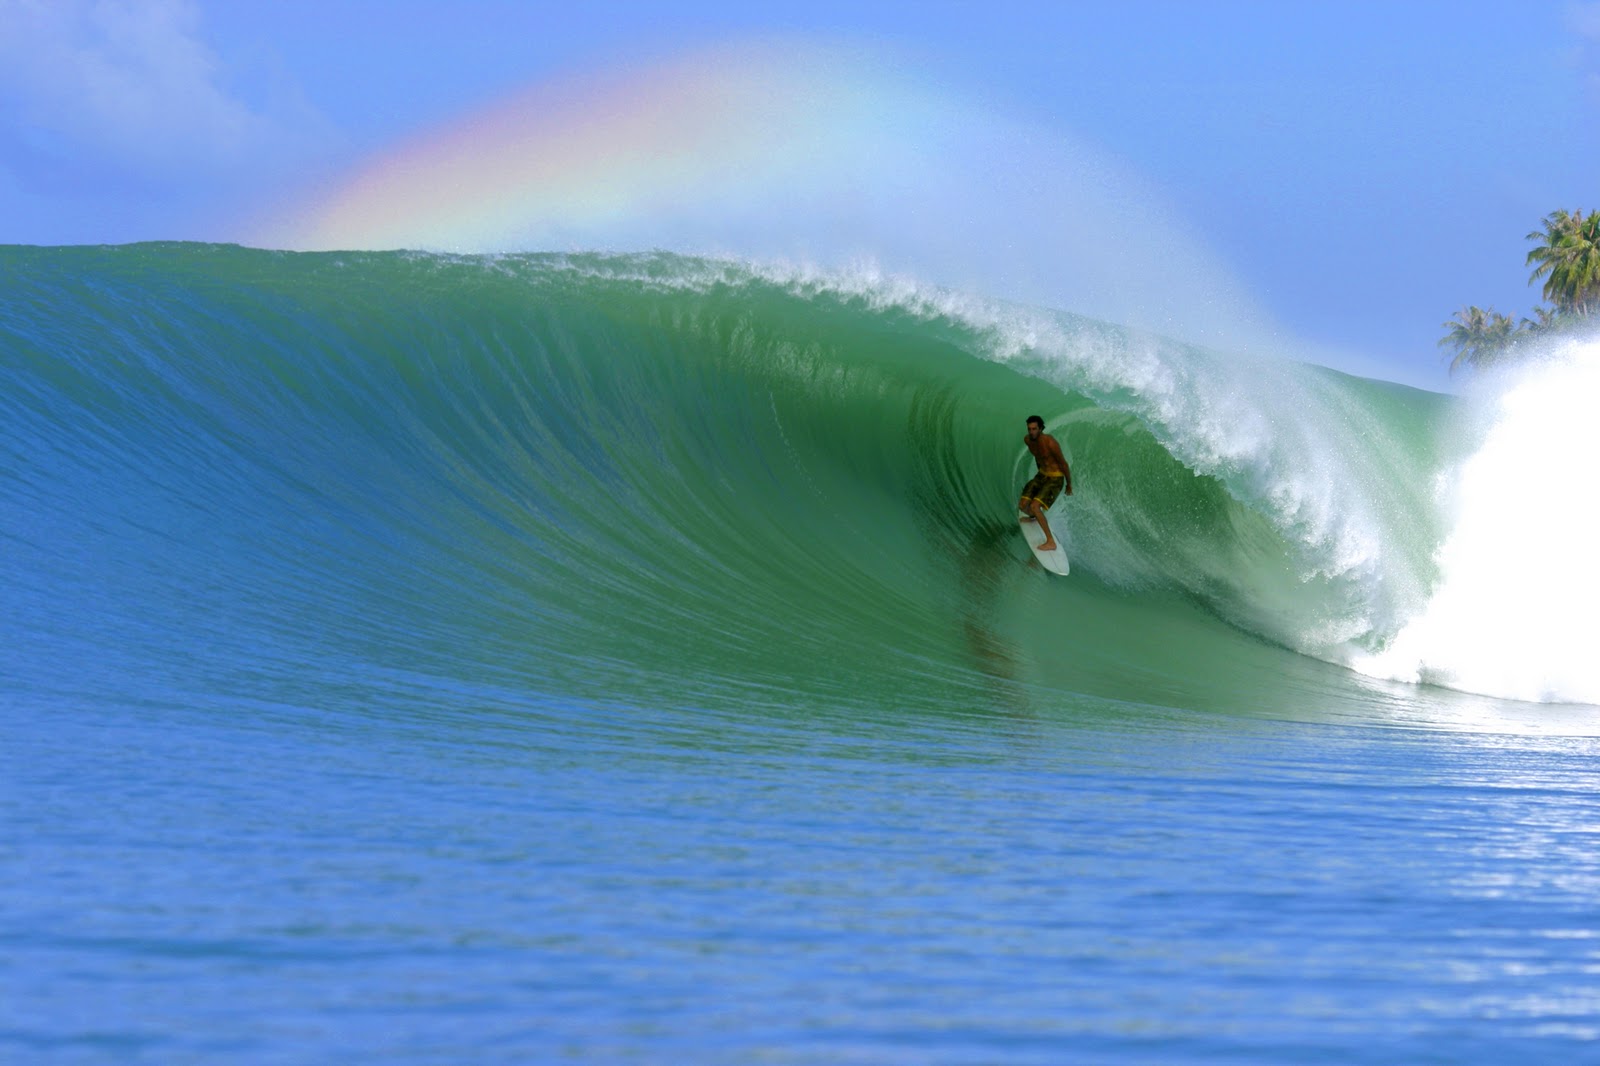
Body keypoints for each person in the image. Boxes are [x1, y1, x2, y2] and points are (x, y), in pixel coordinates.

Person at [1018, 415, 1071, 552]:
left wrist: (1068, 484)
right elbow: (1038, 457)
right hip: (1042, 475)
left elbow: (1063, 464)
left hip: (1055, 478)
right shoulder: (1028, 440)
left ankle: (1051, 542)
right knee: (1023, 505)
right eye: (1029, 429)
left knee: (1035, 506)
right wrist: (1040, 475)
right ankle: (1034, 517)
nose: (1031, 432)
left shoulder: (1050, 443)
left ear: (1041, 428)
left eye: (1034, 429)